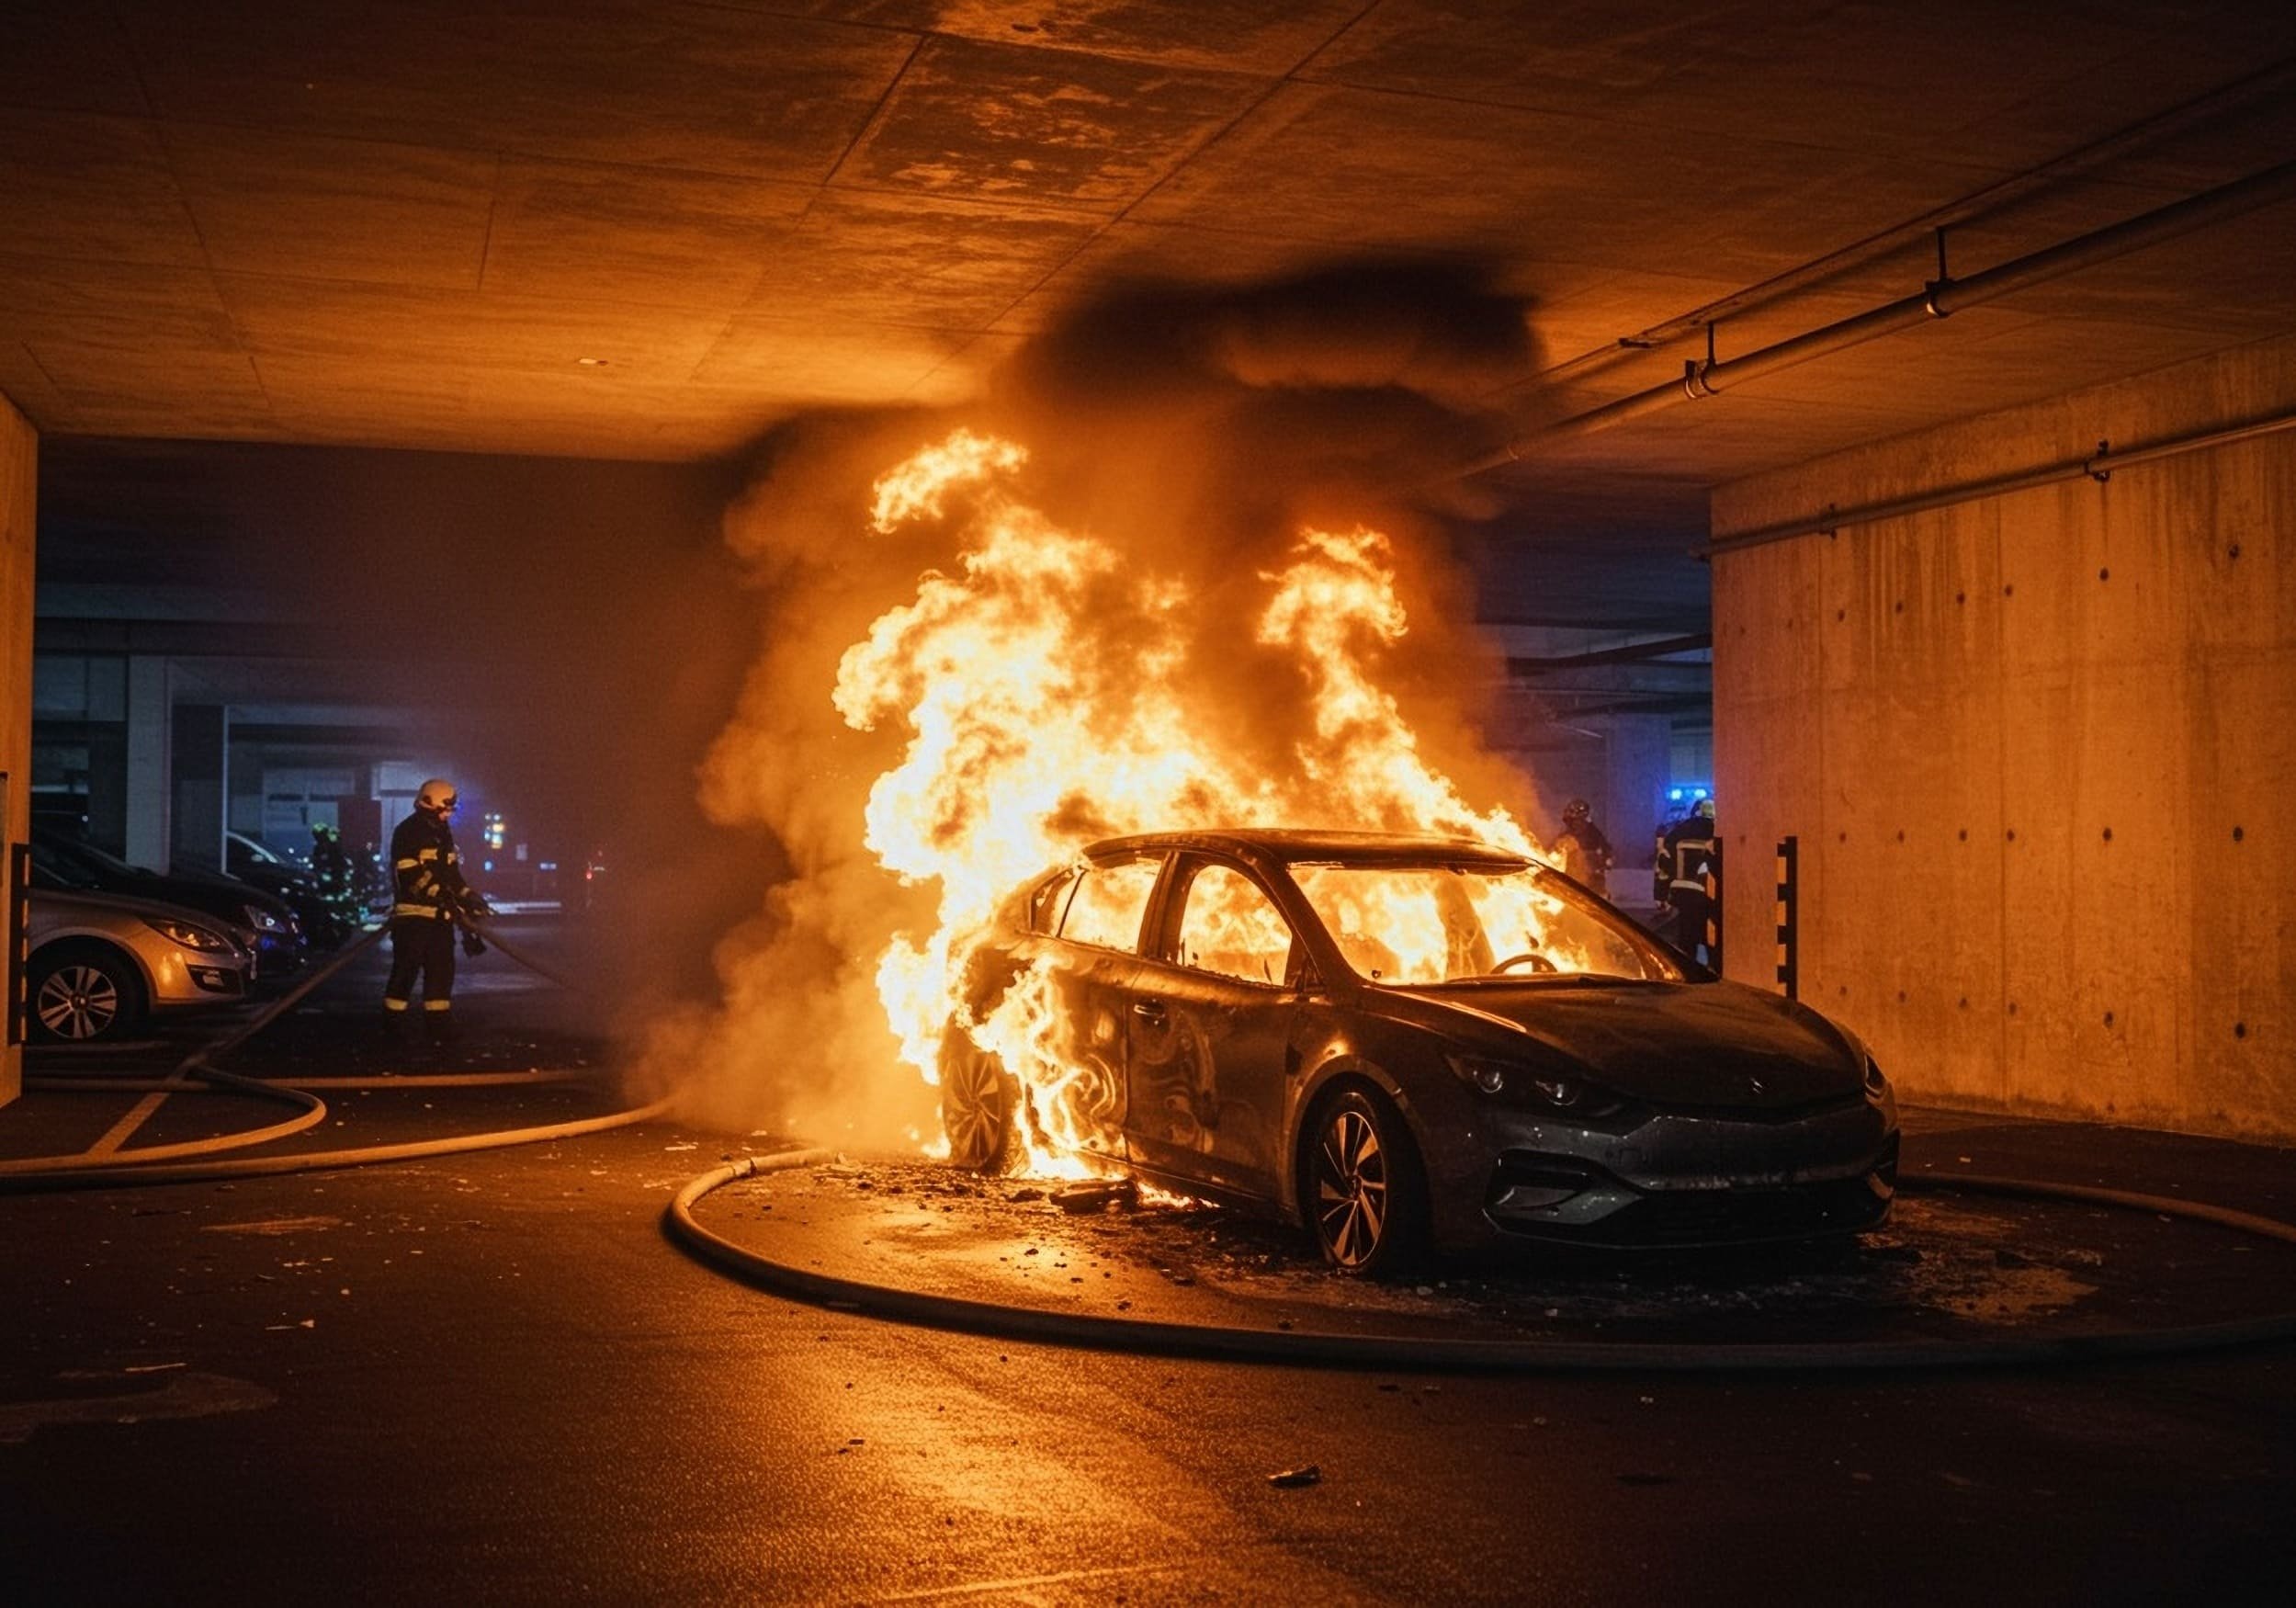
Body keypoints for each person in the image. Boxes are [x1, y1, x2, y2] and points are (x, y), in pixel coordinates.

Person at [384, 777, 489, 1040]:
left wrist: (468, 896)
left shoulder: (442, 834)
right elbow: (410, 875)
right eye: (444, 809)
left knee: (442, 971)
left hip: (440, 919)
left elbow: (452, 875)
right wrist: (439, 894)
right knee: (405, 971)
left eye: (450, 810)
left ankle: (438, 1025)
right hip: (413, 919)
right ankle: (392, 1026)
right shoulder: (408, 831)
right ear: (428, 805)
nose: (447, 815)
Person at [1663, 797, 1721, 967]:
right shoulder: (1717, 830)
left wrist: (1662, 892)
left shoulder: (1678, 831)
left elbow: (1664, 861)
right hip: (1708, 893)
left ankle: (1687, 972)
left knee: (1686, 937)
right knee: (1710, 936)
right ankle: (1713, 971)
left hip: (1682, 893)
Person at [1553, 798, 1614, 896]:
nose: (1575, 824)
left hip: (1592, 881)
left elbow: (1606, 854)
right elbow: (1554, 851)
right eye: (1572, 821)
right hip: (1572, 881)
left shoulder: (1594, 836)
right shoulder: (1565, 837)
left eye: (1579, 821)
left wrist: (1604, 862)